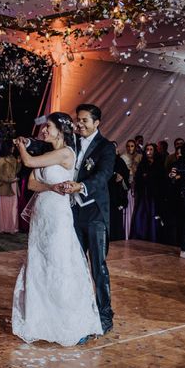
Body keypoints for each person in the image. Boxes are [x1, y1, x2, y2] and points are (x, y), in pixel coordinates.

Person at [12, 112, 102, 346]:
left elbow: (29, 163)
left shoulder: (65, 153)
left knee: (58, 266)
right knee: (39, 265)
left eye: (48, 127)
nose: (43, 131)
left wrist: (22, 145)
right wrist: (51, 186)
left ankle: (71, 323)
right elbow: (32, 183)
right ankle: (41, 322)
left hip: (58, 217)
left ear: (61, 130)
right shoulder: (47, 153)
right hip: (41, 216)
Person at [59, 104, 117, 334]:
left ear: (96, 123)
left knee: (98, 267)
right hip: (73, 212)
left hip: (95, 215)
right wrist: (29, 143)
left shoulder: (106, 147)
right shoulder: (71, 141)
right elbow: (48, 146)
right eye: (78, 120)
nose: (79, 124)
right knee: (75, 265)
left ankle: (105, 315)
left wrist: (81, 186)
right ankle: (78, 310)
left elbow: (103, 175)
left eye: (84, 121)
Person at [130, 143, 166, 242]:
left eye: (151, 149)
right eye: (147, 149)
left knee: (153, 214)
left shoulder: (159, 164)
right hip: (143, 194)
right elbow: (138, 177)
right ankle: (140, 235)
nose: (149, 151)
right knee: (141, 215)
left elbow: (161, 179)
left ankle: (153, 236)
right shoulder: (143, 164)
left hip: (154, 195)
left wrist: (149, 177)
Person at [0, 141, 21, 234]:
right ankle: (3, 227)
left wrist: (19, 163)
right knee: (4, 207)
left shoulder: (13, 158)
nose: (13, 148)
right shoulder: (1, 159)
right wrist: (8, 180)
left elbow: (16, 171)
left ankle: (12, 228)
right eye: (12, 146)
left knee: (13, 207)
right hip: (5, 185)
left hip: (14, 184)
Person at [108, 141, 130, 241]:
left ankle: (117, 238)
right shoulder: (105, 160)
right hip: (107, 193)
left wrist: (121, 178)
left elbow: (125, 174)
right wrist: (113, 176)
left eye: (115, 148)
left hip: (117, 195)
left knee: (117, 217)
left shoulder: (120, 161)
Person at [121, 139, 141, 239]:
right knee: (128, 210)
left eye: (132, 146)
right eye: (128, 146)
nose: (130, 148)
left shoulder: (139, 157)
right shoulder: (123, 157)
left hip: (137, 186)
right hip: (127, 186)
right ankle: (127, 233)